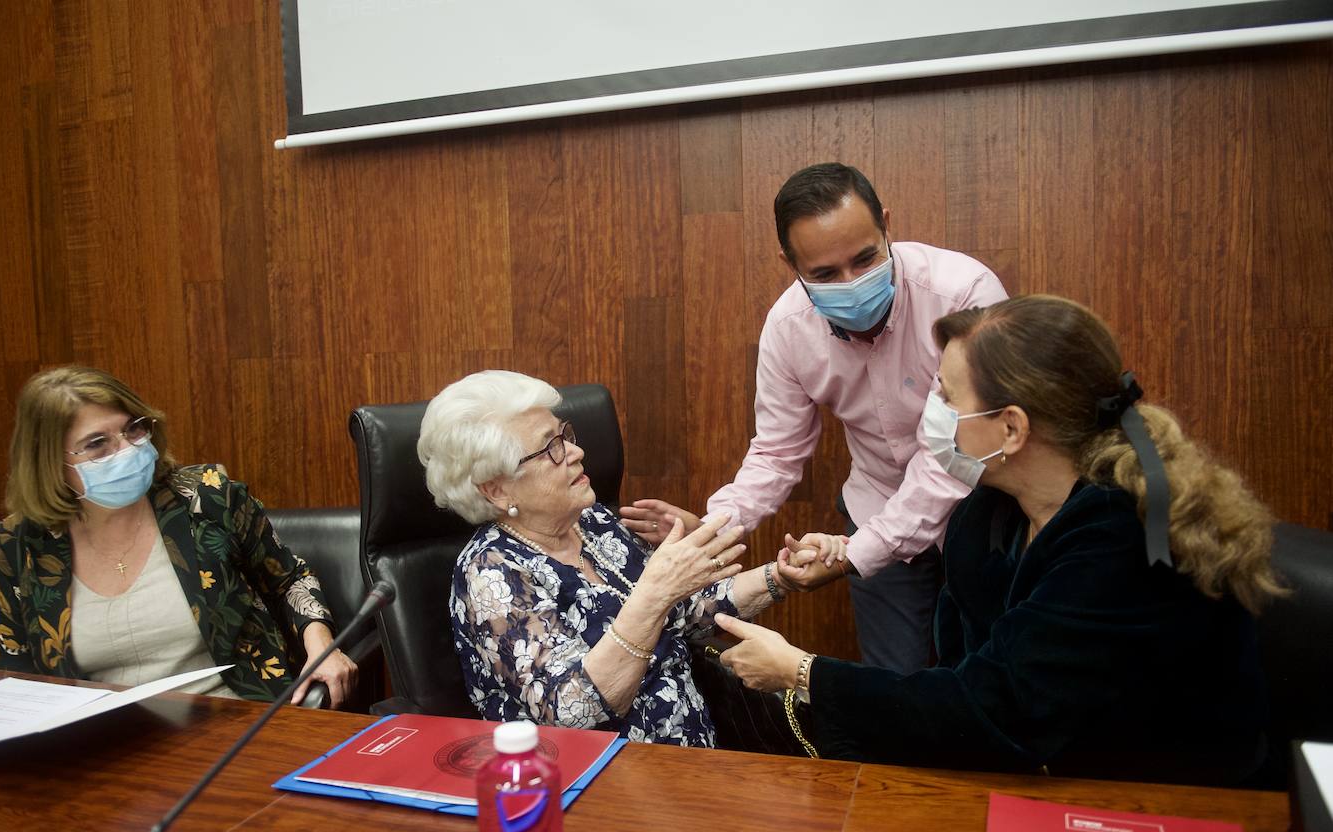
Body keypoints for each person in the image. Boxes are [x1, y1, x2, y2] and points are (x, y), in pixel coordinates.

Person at [711, 295, 1280, 785]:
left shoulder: (1123, 537)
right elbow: (963, 687)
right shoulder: (988, 513)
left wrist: (801, 672)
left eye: (947, 396)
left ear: (1011, 428)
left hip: (1167, 806)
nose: (932, 414)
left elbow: (995, 713)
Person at [622, 161, 1008, 673]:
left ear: (886, 224)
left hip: (981, 508)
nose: (851, 283)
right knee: (892, 686)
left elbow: (951, 453)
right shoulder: (789, 327)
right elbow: (777, 452)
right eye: (824, 274)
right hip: (876, 508)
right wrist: (715, 527)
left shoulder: (963, 294)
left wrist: (855, 553)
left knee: (992, 670)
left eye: (865, 259)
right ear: (790, 263)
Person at [419, 370, 798, 746]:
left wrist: (781, 576)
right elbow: (571, 711)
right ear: (497, 490)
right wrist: (654, 594)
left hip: (692, 757)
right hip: (600, 781)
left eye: (564, 435)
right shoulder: (493, 574)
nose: (576, 451)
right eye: (550, 448)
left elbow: (685, 609)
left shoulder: (592, 521)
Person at [0, 366, 357, 706]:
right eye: (98, 443)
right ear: (50, 463)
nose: (127, 449)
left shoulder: (207, 497)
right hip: (98, 745)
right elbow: (12, 660)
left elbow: (289, 579)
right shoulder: (20, 541)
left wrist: (322, 646)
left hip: (231, 717)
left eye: (133, 428)